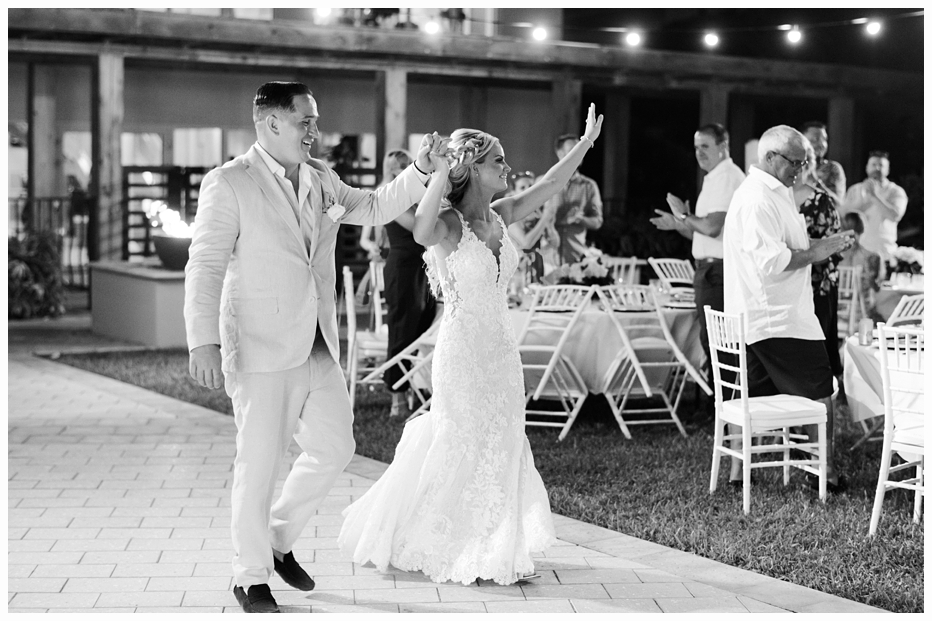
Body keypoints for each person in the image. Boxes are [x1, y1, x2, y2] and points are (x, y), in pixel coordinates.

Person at [184, 81, 443, 613]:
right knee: (259, 463)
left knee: (335, 446)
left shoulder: (322, 178)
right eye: (306, 121)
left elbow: (373, 206)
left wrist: (418, 172)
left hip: (316, 340)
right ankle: (249, 574)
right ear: (271, 123)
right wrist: (202, 341)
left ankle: (276, 539)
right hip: (257, 344)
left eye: (315, 120)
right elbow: (205, 266)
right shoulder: (229, 182)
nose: (315, 131)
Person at [339, 105, 605, 586]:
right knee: (459, 441)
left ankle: (494, 541)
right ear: (474, 168)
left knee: (501, 443)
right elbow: (418, 230)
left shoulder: (502, 216)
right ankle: (448, 540)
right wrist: (438, 172)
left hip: (502, 353)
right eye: (497, 161)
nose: (506, 168)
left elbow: (547, 186)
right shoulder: (447, 225)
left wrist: (584, 146)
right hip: (461, 353)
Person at [722, 125, 854, 492]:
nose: (801, 168)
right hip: (779, 319)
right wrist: (819, 251)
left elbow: (789, 242)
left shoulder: (773, 193)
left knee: (751, 393)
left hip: (763, 317)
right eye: (795, 161)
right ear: (769, 157)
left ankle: (737, 474)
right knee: (821, 392)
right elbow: (773, 260)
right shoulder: (757, 199)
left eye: (804, 161)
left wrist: (825, 242)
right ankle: (823, 473)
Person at [650, 123, 746, 408]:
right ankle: (723, 407)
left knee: (721, 344)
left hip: (719, 272)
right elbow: (700, 230)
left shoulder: (728, 177)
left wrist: (682, 215)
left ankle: (728, 408)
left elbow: (712, 227)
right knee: (712, 342)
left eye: (705, 146)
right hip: (710, 269)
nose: (699, 153)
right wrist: (677, 223)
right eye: (696, 147)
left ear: (723, 146)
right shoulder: (715, 177)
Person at [360, 149, 438, 417]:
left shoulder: (419, 193)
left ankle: (417, 386)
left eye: (408, 163)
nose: (405, 168)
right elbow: (417, 228)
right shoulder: (390, 194)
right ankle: (397, 396)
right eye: (399, 166)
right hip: (403, 268)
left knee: (423, 325)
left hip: (424, 267)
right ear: (390, 170)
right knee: (402, 328)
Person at [793, 141, 843, 380]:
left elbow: (836, 246)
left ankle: (821, 395)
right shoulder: (776, 199)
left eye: (804, 162)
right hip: (787, 282)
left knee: (817, 348)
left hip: (818, 284)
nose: (799, 168)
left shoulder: (822, 200)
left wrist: (808, 247)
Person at [540, 133, 604, 264]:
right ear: (559, 154)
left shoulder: (589, 186)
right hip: (546, 257)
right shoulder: (544, 182)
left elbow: (597, 221)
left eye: (580, 150)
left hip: (575, 257)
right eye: (573, 150)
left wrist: (581, 219)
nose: (578, 155)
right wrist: (556, 221)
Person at [842, 151, 908, 262]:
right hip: (857, 251)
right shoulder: (854, 189)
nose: (877, 168)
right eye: (873, 164)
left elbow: (895, 216)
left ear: (888, 170)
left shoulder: (896, 191)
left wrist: (875, 196)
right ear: (867, 168)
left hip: (884, 251)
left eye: (881, 165)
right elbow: (845, 215)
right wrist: (865, 201)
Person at [838, 212, 884, 322]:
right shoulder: (872, 257)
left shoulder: (834, 257)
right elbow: (876, 288)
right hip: (863, 315)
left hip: (837, 313)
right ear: (863, 229)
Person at [800, 121, 846, 203]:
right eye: (815, 139)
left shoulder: (833, 168)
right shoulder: (794, 166)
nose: (822, 144)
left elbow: (838, 204)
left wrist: (815, 182)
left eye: (824, 139)